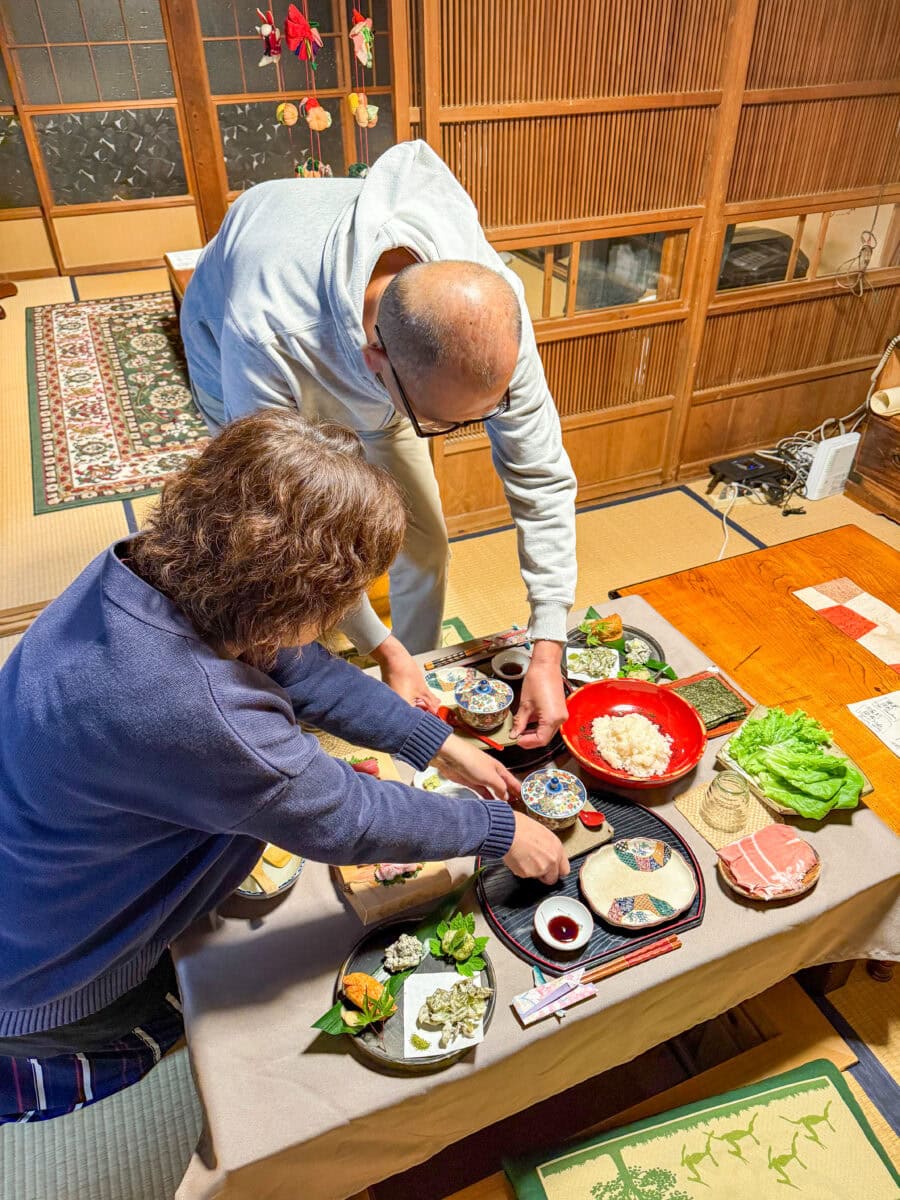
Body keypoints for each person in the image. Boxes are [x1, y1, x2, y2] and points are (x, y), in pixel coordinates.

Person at [0, 412, 568, 1122]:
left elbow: (299, 667)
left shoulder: (148, 566)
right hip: (49, 958)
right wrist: (499, 831)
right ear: (289, 595)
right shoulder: (200, 708)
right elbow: (343, 816)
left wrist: (434, 742)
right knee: (173, 1021)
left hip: (36, 852)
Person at [180, 139, 578, 750]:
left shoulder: (491, 310)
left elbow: (541, 475)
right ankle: (327, 675)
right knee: (278, 549)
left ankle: (415, 674)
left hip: (385, 376)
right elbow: (290, 527)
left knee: (426, 547)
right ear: (377, 361)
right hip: (238, 328)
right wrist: (377, 645)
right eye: (441, 423)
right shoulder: (267, 330)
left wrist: (548, 644)